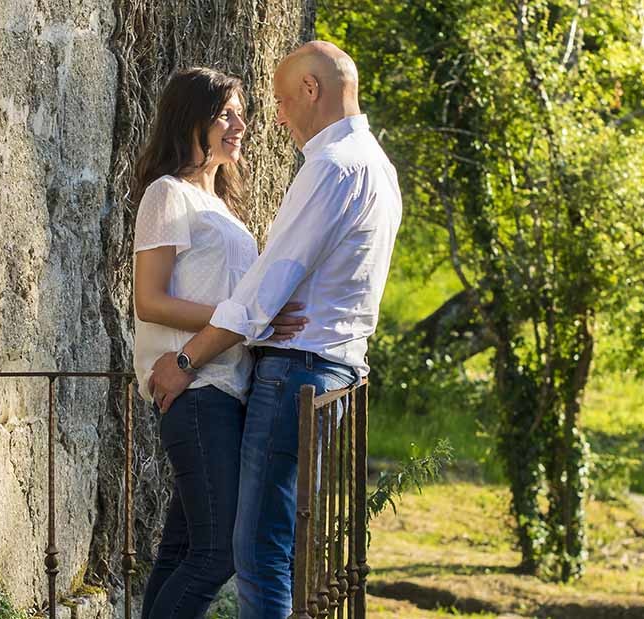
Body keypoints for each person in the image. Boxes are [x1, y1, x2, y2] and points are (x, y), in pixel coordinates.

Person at [147, 42, 403, 618]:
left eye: (283, 102)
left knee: (259, 551)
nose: (277, 118)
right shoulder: (378, 165)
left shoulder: (333, 166)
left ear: (312, 89)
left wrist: (186, 360)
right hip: (333, 370)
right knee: (227, 545)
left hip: (297, 372)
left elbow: (262, 294)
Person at [131, 67, 307, 619]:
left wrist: (256, 319)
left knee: (182, 549)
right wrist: (242, 321)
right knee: (217, 553)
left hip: (227, 389)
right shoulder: (167, 194)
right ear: (193, 118)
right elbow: (149, 300)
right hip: (197, 390)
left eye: (242, 114)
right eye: (227, 114)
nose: (241, 125)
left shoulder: (223, 207)